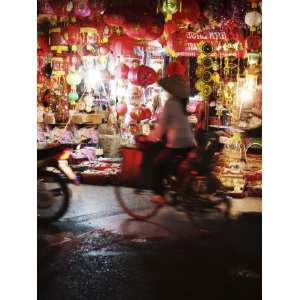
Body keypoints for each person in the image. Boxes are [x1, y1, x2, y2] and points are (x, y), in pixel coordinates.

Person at [146, 75, 195, 205]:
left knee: (158, 164)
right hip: (189, 142)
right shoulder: (182, 103)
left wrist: (150, 137)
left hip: (177, 143)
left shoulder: (171, 103)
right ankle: (179, 190)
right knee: (175, 167)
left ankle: (160, 195)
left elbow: (162, 126)